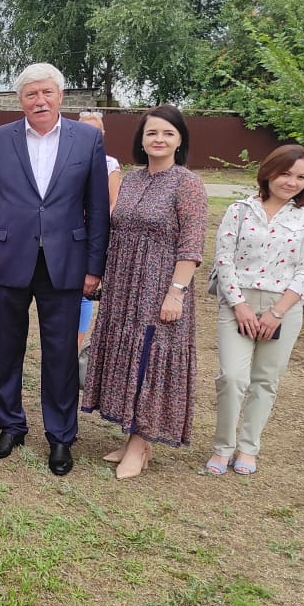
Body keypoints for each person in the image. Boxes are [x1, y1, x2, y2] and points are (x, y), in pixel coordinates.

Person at [0, 63, 110, 477]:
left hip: (65, 263)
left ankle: (61, 436)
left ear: (60, 96)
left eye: (47, 92)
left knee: (60, 353)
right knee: (7, 349)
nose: (39, 101)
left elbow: (98, 207)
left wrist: (94, 265)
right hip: (7, 261)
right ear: (20, 100)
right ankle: (10, 424)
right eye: (31, 94)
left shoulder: (87, 140)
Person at [81, 105, 208, 479]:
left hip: (159, 286)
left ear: (180, 139)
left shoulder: (187, 184)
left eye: (168, 133)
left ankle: (140, 444)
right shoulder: (132, 180)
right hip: (123, 286)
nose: (159, 139)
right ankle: (131, 435)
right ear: (142, 139)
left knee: (150, 359)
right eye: (152, 133)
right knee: (128, 356)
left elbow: (192, 245)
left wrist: (176, 292)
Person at [206, 145, 304, 476]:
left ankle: (247, 448)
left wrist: (277, 312)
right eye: (286, 173)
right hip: (237, 302)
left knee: (265, 380)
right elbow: (223, 259)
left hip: (283, 306)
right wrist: (239, 305)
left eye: (301, 177)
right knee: (232, 377)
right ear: (269, 172)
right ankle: (222, 447)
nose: (292, 182)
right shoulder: (240, 211)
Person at [76, 111, 123, 351]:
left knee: (85, 291)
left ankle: (77, 344)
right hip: (68, 235)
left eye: (96, 131)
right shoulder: (68, 159)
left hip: (92, 235)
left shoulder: (109, 163)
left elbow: (113, 203)